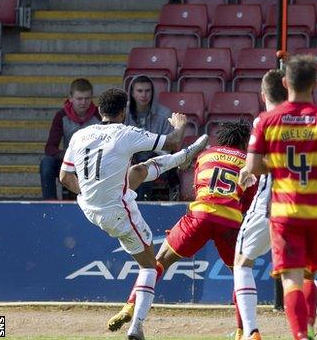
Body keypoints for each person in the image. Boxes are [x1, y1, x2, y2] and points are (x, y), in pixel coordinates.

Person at [59, 88, 209, 340]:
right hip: (117, 212)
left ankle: (181, 159)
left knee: (137, 172)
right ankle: (137, 327)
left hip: (88, 207)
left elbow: (64, 177)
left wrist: (88, 193)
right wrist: (180, 125)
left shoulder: (80, 135)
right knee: (150, 265)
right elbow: (171, 140)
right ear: (123, 111)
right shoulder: (125, 133)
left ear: (99, 110)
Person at [107, 119, 256, 339]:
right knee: (241, 276)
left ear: (222, 138)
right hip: (230, 221)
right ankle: (242, 331)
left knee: (157, 263)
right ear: (244, 142)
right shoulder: (248, 162)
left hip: (200, 215)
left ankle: (130, 307)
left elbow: (196, 187)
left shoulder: (206, 154)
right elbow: (248, 201)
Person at [239, 54, 317, 340]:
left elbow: (252, 167)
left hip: (284, 212)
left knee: (291, 280)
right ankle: (312, 328)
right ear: (314, 83)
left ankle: (301, 335)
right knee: (310, 275)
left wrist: (278, 167)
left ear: (285, 82)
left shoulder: (267, 120)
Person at [40, 78, 100, 199]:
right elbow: (50, 148)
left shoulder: (99, 115)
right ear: (71, 98)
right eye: (79, 99)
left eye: (87, 98)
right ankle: (49, 204)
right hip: (69, 160)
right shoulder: (61, 116)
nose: (83, 102)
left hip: (93, 162)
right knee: (46, 163)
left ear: (92, 98)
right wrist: (69, 155)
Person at [126, 75, 176, 200]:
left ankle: (142, 201)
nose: (144, 95)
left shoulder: (164, 113)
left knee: (145, 164)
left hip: (156, 158)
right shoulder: (123, 112)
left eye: (147, 91)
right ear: (132, 93)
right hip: (129, 157)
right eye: (140, 91)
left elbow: (168, 147)